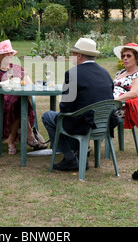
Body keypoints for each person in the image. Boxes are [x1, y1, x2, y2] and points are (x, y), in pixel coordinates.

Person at [42, 38, 117, 171]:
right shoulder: (105, 73)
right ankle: (76, 154)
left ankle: (70, 158)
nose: (71, 56)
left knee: (49, 116)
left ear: (80, 55)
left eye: (73, 53)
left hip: (82, 124)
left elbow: (65, 108)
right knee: (74, 115)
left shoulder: (73, 73)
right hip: (103, 124)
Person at [0, 39, 46, 155]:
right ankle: (29, 136)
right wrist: (4, 86)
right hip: (0, 100)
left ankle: (13, 140)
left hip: (18, 98)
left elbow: (30, 85)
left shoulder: (17, 68)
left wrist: (23, 84)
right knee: (17, 102)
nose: (9, 55)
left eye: (10, 53)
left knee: (18, 101)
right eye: (6, 53)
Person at [112, 43, 138, 121]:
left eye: (129, 56)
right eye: (123, 56)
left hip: (122, 106)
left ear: (137, 58)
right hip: (110, 103)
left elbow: (134, 93)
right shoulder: (121, 72)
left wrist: (115, 101)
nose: (125, 58)